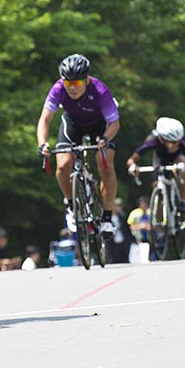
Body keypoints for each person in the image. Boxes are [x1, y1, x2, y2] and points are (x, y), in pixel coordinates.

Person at [36, 54, 120, 237]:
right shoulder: (58, 88)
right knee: (63, 165)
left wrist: (105, 140)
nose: (72, 88)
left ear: (87, 80)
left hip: (100, 125)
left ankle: (107, 218)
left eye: (76, 83)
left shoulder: (100, 91)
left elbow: (114, 124)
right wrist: (42, 144)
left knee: (104, 163)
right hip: (73, 123)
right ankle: (71, 205)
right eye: (68, 84)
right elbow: (44, 120)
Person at [126, 117, 185, 223]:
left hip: (177, 160)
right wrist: (133, 166)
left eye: (177, 142)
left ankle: (183, 201)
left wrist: (184, 166)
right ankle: (159, 226)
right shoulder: (152, 140)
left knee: (182, 164)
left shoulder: (181, 140)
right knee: (156, 189)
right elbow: (131, 160)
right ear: (161, 139)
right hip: (159, 161)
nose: (175, 145)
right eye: (172, 142)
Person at [127, 196, 151, 262]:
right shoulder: (135, 213)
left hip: (150, 237)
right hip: (138, 238)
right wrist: (140, 226)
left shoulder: (150, 213)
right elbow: (131, 226)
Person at [110, 198, 133, 263]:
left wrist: (131, 239)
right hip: (113, 242)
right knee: (115, 259)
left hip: (124, 241)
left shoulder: (122, 216)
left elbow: (127, 229)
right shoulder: (108, 218)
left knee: (125, 259)